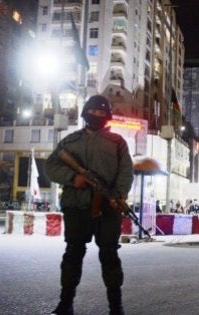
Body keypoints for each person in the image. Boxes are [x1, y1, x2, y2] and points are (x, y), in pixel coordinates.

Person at [45, 95, 134, 315]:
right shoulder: (69, 141)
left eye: (102, 112)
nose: (97, 115)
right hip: (76, 206)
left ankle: (116, 306)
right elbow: (51, 166)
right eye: (93, 111)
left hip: (108, 208)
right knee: (73, 253)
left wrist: (118, 195)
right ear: (86, 113)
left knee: (109, 255)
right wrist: (73, 177)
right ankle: (66, 303)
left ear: (108, 116)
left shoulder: (117, 142)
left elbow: (126, 171)